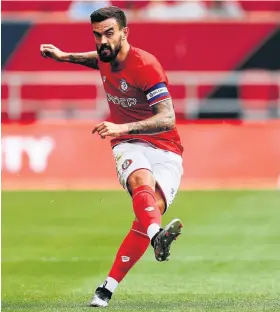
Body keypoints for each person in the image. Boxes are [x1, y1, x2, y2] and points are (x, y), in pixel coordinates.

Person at [40, 6, 183, 308]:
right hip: (127, 142)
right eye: (96, 35)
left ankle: (108, 285)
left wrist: (122, 124)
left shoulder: (145, 65)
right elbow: (97, 61)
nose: (102, 41)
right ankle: (157, 236)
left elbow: (168, 118)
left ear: (124, 33)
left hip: (165, 146)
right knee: (140, 180)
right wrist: (65, 57)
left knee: (151, 209)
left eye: (108, 34)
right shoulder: (105, 56)